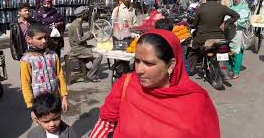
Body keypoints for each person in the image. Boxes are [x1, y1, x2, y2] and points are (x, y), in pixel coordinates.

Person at [89, 29, 220, 138]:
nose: (139, 70)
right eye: (137, 61)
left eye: (149, 63)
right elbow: (106, 123)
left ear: (170, 65)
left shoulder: (196, 101)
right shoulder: (126, 84)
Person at [20, 23, 69, 120]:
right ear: (29, 39)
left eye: (46, 37)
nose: (44, 41)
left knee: (56, 122)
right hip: (40, 105)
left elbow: (60, 76)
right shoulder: (26, 60)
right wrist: (31, 107)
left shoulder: (53, 55)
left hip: (55, 99)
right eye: (39, 38)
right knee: (45, 125)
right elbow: (25, 84)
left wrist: (64, 97)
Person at [187, 0, 240, 74]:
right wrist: (226, 23)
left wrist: (193, 25)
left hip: (202, 37)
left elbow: (195, 24)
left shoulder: (201, 8)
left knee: (192, 48)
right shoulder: (222, 7)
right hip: (219, 36)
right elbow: (236, 15)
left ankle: (190, 69)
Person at [68, 6, 102, 82]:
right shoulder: (76, 25)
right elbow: (79, 41)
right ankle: (91, 75)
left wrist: (91, 36)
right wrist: (89, 34)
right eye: (86, 14)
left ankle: (87, 70)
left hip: (81, 47)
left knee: (94, 48)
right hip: (77, 49)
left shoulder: (78, 23)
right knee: (99, 55)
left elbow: (81, 38)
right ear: (83, 15)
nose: (87, 16)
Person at [226, 0, 250, 79]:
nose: (236, 0)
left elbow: (242, 22)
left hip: (238, 33)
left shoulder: (244, 9)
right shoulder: (230, 7)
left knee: (237, 52)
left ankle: (236, 71)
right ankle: (229, 69)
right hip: (228, 33)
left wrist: (230, 21)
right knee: (228, 51)